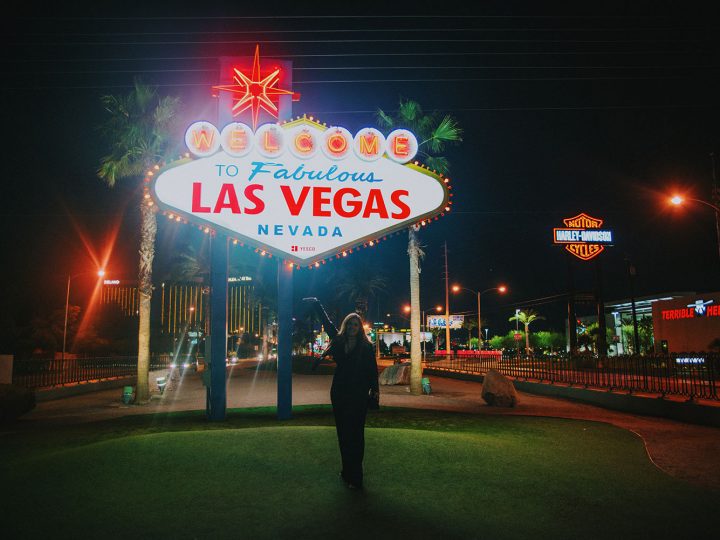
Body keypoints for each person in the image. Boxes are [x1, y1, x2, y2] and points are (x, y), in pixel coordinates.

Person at [305, 298, 379, 489]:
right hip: (339, 392)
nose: (353, 326)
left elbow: (372, 372)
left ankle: (356, 475)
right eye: (350, 324)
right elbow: (327, 322)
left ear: (360, 327)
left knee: (356, 435)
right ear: (345, 326)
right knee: (343, 434)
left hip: (359, 394)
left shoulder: (366, 347)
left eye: (356, 324)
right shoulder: (338, 341)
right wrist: (316, 304)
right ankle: (347, 471)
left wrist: (375, 393)